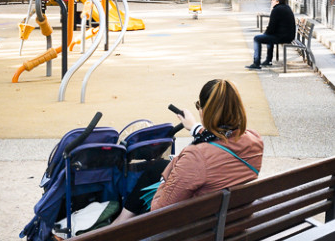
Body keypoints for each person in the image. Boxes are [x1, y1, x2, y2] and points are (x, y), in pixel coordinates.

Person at [113, 79, 263, 223]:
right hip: (233, 222)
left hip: (198, 234)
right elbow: (223, 143)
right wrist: (195, 128)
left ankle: (120, 223)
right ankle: (122, 220)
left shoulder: (195, 158)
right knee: (156, 167)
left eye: (199, 105)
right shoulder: (255, 141)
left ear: (205, 111)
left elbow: (159, 211)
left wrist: (167, 178)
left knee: (158, 174)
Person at [247, 0, 295, 69]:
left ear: (277, 1)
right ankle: (268, 60)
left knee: (257, 39)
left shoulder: (276, 10)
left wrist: (265, 34)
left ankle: (256, 63)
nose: (271, 1)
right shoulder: (286, 7)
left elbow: (271, 27)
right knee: (269, 36)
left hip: (283, 37)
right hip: (288, 36)